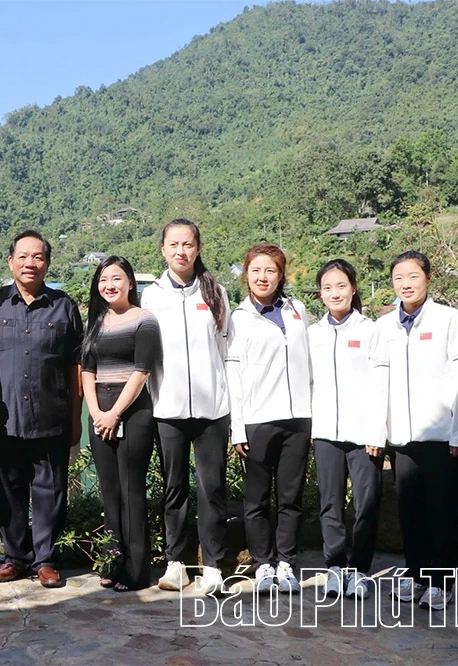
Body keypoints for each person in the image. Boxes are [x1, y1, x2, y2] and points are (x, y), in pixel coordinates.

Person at [0, 230, 84, 589]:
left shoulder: (64, 306)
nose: (30, 263)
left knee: (50, 491)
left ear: (47, 262)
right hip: (4, 416)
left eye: (38, 257)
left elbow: (77, 365)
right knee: (8, 489)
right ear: (11, 261)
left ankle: (45, 559)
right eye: (23, 256)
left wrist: (75, 418)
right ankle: (16, 557)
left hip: (51, 414)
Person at [378, 250, 458, 611]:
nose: (406, 283)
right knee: (410, 509)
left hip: (441, 434)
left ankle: (441, 582)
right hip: (402, 436)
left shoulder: (448, 319)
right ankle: (417, 576)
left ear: (428, 279)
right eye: (399, 277)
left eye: (413, 276)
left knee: (442, 511)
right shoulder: (385, 325)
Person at [141, 219, 231, 596]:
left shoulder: (216, 293)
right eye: (174, 244)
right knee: (174, 488)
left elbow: (227, 353)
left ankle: (213, 565)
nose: (181, 251)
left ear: (198, 248)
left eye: (188, 244)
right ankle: (176, 562)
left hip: (213, 410)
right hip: (168, 409)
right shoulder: (151, 297)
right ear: (163, 249)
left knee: (212, 489)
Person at [226, 243, 312, 594]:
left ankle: (287, 564)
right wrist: (237, 427)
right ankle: (263, 564)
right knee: (257, 498)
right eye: (256, 270)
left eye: (271, 270)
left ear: (281, 275)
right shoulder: (239, 317)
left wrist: (313, 417)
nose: (263, 277)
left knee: (291, 498)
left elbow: (309, 366)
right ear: (247, 274)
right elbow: (234, 374)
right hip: (258, 420)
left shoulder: (298, 310)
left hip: (297, 419)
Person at [307, 259, 389, 600]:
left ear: (353, 289)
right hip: (326, 431)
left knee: (365, 504)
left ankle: (360, 570)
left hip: (363, 434)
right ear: (320, 294)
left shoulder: (371, 331)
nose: (334, 293)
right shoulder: (313, 334)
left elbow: (382, 382)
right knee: (330, 504)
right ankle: (335, 567)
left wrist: (377, 431)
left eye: (341, 286)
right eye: (327, 287)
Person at [82, 255, 161, 591]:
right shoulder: (96, 322)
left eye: (116, 278)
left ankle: (137, 569)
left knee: (131, 490)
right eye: (103, 280)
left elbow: (141, 371)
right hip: (99, 411)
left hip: (133, 412)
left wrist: (115, 413)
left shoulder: (144, 320)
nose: (109, 285)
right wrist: (98, 412)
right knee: (109, 492)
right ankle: (112, 561)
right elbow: (86, 370)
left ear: (130, 282)